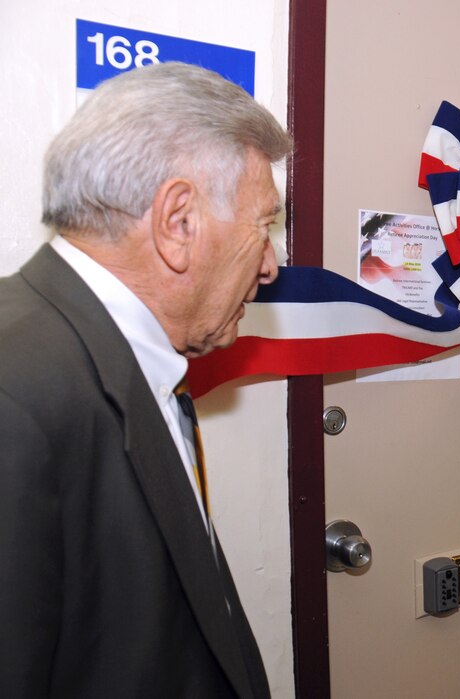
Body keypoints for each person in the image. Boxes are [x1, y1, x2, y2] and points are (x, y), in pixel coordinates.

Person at [0, 62, 292, 697]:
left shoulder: (132, 359)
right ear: (179, 222)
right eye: (263, 225)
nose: (271, 265)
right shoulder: (17, 400)